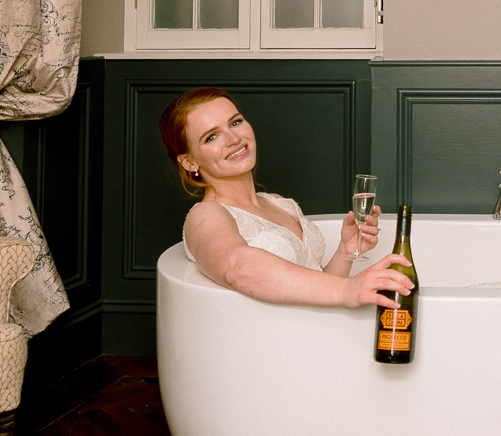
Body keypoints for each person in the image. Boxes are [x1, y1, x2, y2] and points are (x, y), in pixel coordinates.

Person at [161, 87, 413, 309]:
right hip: (273, 345)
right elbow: (237, 268)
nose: (234, 139)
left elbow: (310, 285)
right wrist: (345, 290)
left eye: (235, 122)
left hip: (308, 335)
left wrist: (345, 251)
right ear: (189, 161)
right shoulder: (206, 214)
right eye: (212, 137)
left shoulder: (278, 202)